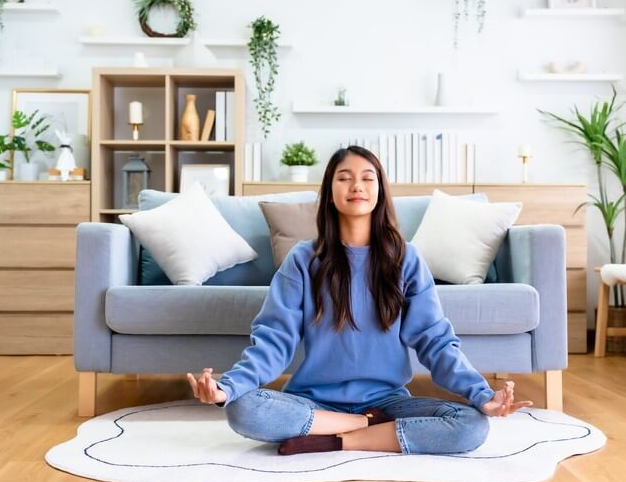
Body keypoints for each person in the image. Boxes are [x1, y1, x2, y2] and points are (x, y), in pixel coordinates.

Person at [187, 146, 532, 455]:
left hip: (387, 402)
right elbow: (274, 341)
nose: (357, 186)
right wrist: (227, 388)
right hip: (312, 401)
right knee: (242, 408)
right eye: (344, 178)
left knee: (471, 426)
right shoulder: (303, 259)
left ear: (380, 191)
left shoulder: (406, 259)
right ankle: (362, 427)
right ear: (329, 192)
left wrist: (482, 396)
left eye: (368, 178)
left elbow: (435, 341)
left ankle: (336, 439)